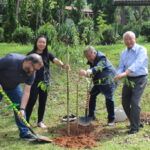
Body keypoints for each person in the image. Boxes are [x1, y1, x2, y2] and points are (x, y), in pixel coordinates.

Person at [26, 35, 70, 128]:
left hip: (45, 82)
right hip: (33, 82)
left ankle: (40, 121)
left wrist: (63, 65)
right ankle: (26, 121)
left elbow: (55, 60)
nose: (41, 44)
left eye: (43, 42)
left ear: (46, 44)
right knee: (31, 100)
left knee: (43, 101)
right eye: (40, 42)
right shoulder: (31, 54)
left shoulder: (47, 54)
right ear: (36, 43)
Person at [0, 53, 43, 140]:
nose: (34, 71)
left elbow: (26, 92)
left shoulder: (31, 73)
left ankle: (25, 133)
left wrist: (22, 109)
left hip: (12, 87)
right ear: (28, 62)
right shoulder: (11, 60)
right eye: (34, 68)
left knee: (20, 106)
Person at [115, 31, 148, 134]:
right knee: (125, 101)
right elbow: (121, 66)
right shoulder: (123, 53)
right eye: (126, 39)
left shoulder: (141, 50)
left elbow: (138, 63)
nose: (128, 41)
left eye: (130, 39)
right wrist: (118, 75)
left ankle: (135, 128)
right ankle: (136, 122)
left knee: (134, 102)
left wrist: (125, 73)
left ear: (135, 39)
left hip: (140, 78)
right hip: (128, 79)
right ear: (123, 41)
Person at [79, 46, 116, 126]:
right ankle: (91, 116)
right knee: (92, 94)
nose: (88, 58)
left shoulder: (102, 57)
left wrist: (89, 71)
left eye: (89, 56)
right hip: (98, 81)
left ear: (94, 52)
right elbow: (92, 73)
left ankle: (111, 119)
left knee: (109, 98)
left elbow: (98, 67)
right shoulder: (92, 60)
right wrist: (86, 74)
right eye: (86, 57)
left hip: (108, 80)